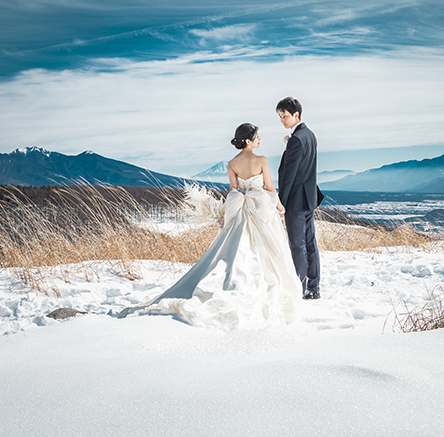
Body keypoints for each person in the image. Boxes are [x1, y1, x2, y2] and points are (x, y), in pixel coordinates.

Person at [114, 123, 302, 329]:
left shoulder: (232, 163)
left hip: (240, 211)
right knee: (266, 250)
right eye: (257, 136)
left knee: (235, 250)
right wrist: (279, 205)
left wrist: (228, 212)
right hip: (260, 211)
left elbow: (233, 191)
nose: (260, 139)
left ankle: (232, 282)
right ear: (248, 140)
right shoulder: (262, 160)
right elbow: (269, 187)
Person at [276, 97, 322, 299]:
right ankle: (314, 287)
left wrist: (281, 203)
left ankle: (300, 289)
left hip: (295, 200)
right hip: (309, 199)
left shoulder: (297, 139)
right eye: (279, 117)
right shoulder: (310, 135)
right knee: (310, 243)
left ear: (296, 115)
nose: (282, 121)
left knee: (297, 245)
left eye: (284, 116)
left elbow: (289, 176)